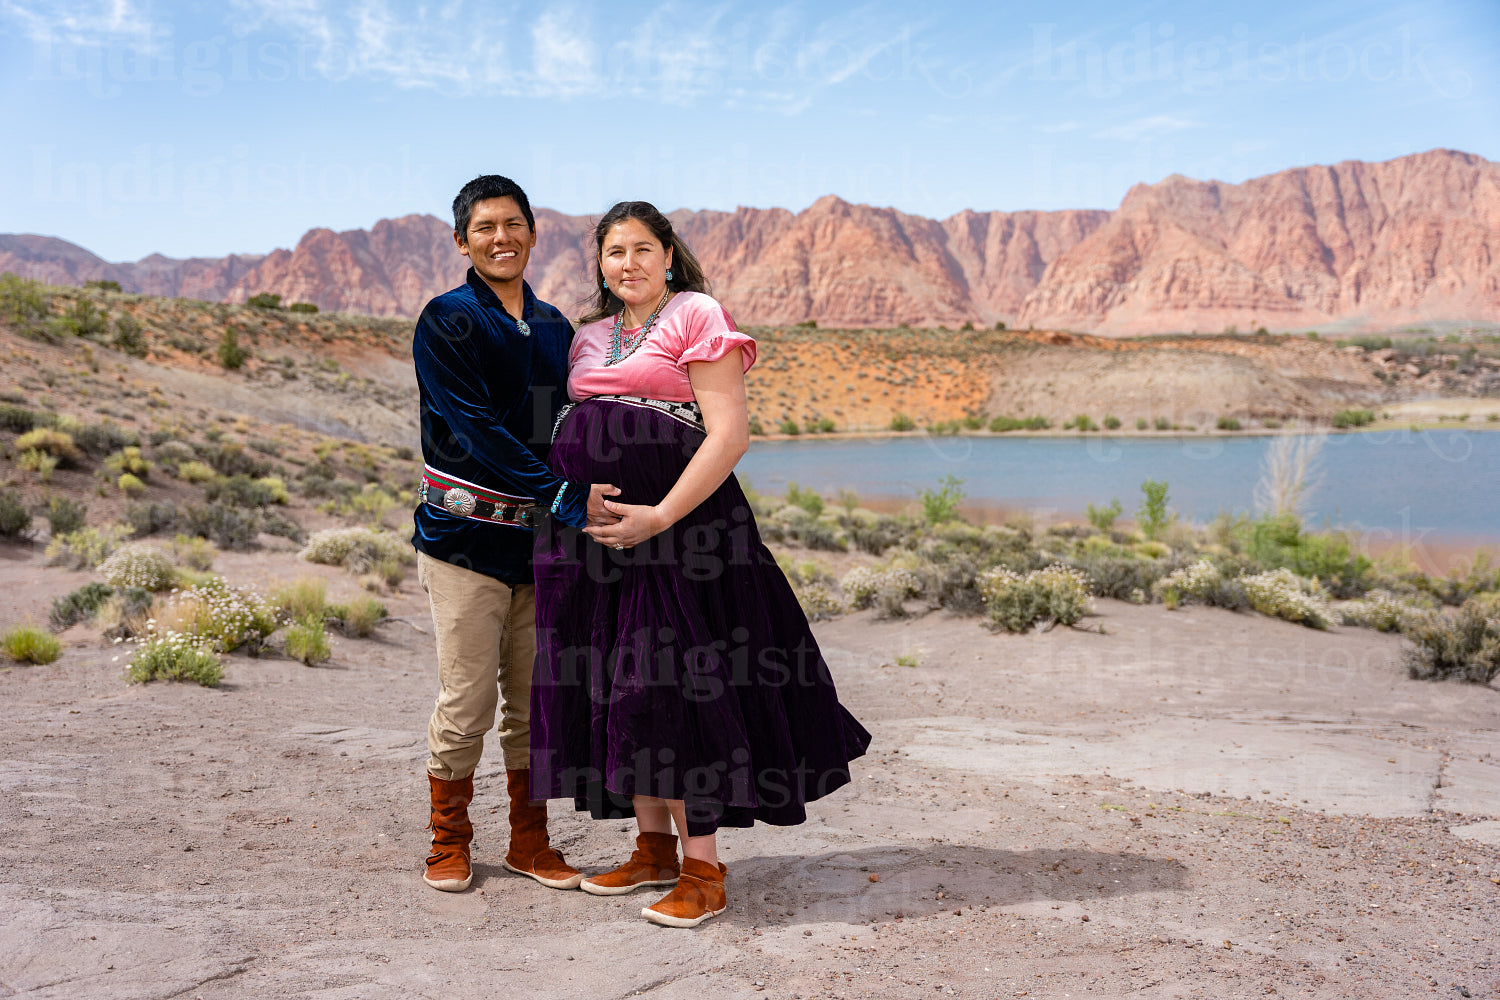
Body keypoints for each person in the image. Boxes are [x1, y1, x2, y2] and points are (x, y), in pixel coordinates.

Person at [529, 201, 872, 928]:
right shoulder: (587, 338)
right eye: (615, 251)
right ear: (599, 261)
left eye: (643, 248)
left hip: (685, 540)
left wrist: (659, 516)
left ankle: (705, 871)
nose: (629, 263)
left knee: (674, 693)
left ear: (668, 255)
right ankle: (652, 849)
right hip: (597, 550)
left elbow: (729, 435)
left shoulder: (695, 314)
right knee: (622, 691)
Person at [411, 174, 616, 894]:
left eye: (514, 224)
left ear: (533, 231)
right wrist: (562, 493)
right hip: (463, 546)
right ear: (462, 240)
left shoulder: (557, 326)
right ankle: (448, 839)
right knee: (466, 702)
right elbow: (476, 430)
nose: (502, 238)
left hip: (540, 551)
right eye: (486, 227)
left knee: (533, 705)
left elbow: (568, 425)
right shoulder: (447, 320)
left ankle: (531, 842)